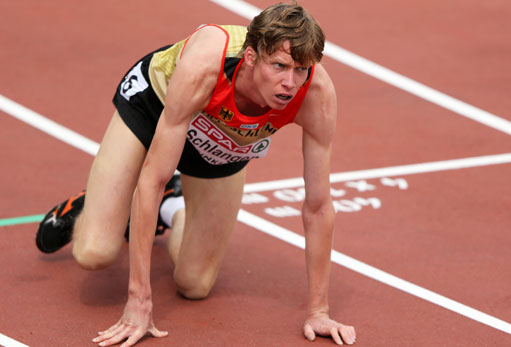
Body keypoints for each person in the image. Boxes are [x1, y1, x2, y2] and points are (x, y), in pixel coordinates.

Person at [36, 2, 356, 346]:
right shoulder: (206, 65)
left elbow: (318, 207)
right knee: (95, 253)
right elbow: (152, 179)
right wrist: (139, 302)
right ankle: (88, 208)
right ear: (250, 57)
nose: (290, 83)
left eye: (301, 70)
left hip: (223, 140)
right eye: (279, 66)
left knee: (194, 284)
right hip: (157, 106)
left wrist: (319, 311)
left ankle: (173, 207)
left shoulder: (316, 95)